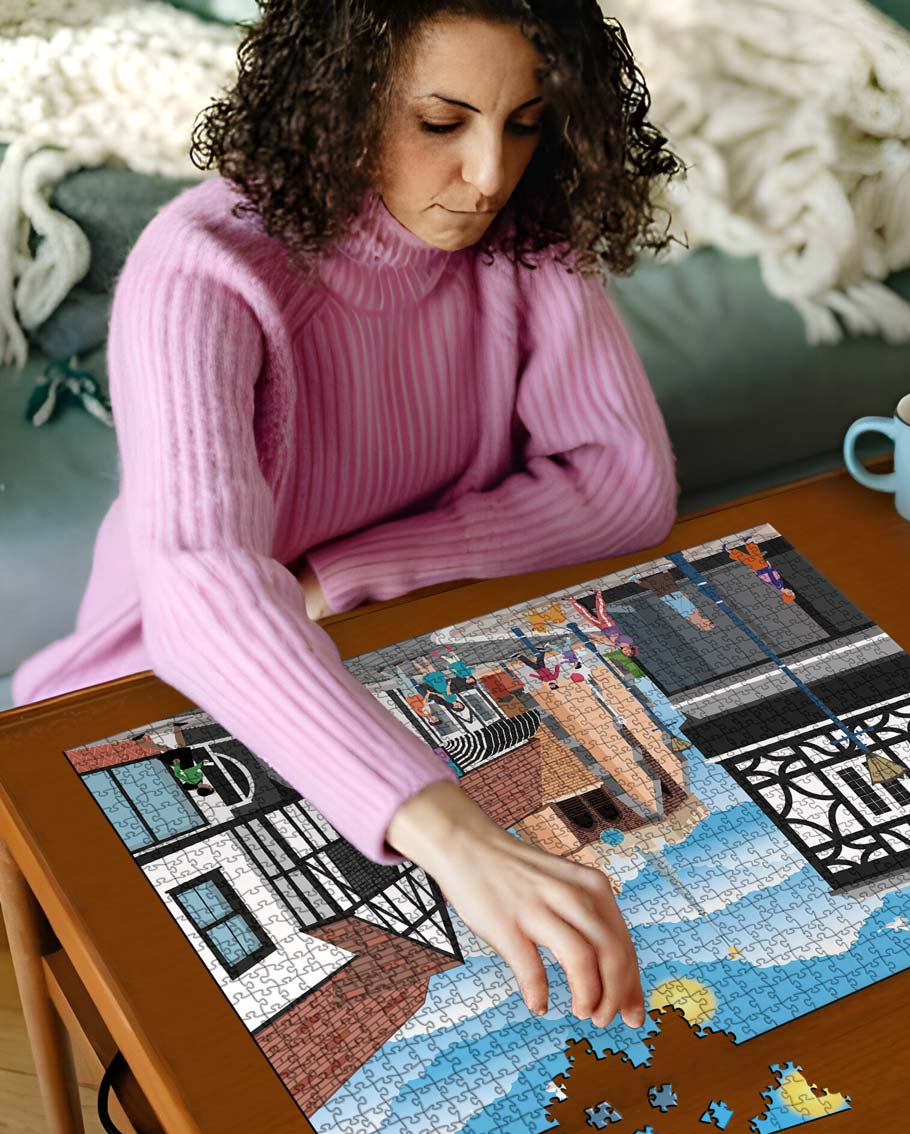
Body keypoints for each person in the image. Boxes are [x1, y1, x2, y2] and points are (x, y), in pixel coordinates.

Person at [11, 0, 687, 1032]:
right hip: (162, 687)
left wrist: (347, 574)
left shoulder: (528, 233)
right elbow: (200, 588)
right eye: (441, 122)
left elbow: (626, 486)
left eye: (525, 122)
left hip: (401, 637)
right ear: (344, 100)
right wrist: (452, 834)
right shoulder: (201, 265)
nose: (489, 176)